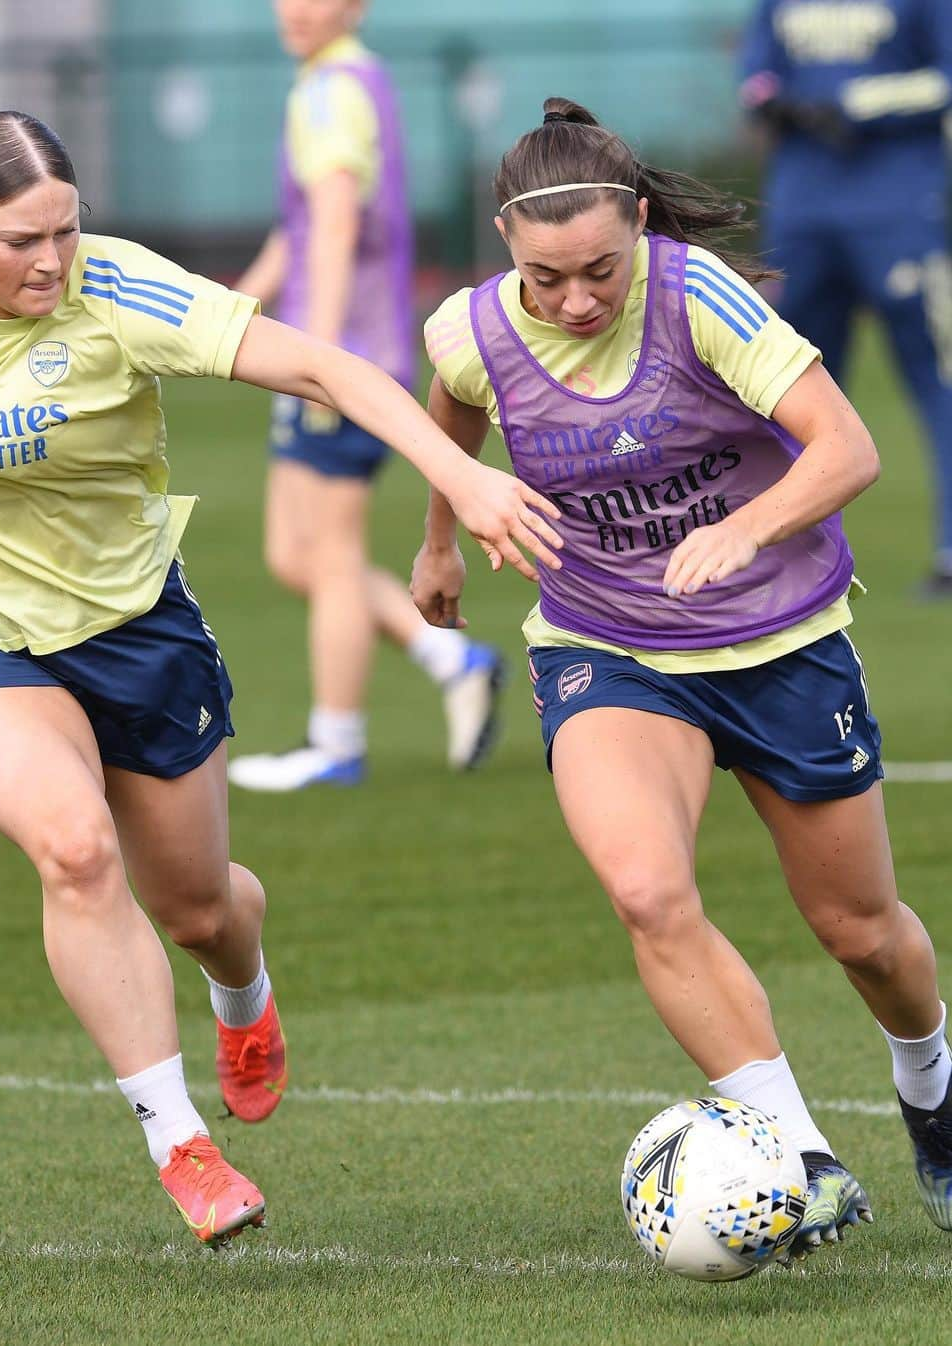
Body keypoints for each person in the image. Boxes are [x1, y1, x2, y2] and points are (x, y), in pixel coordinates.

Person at [0, 110, 561, 1247]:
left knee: (199, 905)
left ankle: (243, 989)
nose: (51, 260)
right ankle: (181, 1143)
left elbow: (324, 364)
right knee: (74, 845)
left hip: (136, 629)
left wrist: (459, 479)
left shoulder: (119, 291)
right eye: (18, 240)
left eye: (68, 228)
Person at [413, 98, 952, 1257]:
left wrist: (747, 528)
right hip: (606, 643)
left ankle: (932, 1082)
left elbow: (846, 445)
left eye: (598, 269)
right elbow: (453, 408)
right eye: (546, 276)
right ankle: (801, 1161)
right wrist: (443, 535)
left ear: (641, 224)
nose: (574, 300)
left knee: (861, 931)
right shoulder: (468, 328)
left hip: (781, 640)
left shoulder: (697, 296)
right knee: (649, 893)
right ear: (508, 242)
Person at [227, 0, 507, 793]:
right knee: (296, 555)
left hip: (342, 359)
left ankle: (336, 742)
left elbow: (337, 224)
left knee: (334, 556)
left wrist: (310, 359)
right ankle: (451, 655)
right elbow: (305, 223)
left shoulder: (330, 91)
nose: (293, 8)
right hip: (339, 352)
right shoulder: (347, 77)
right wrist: (229, 312)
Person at [738, 0, 952, 597]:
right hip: (802, 211)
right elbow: (755, 74)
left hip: (899, 209)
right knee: (779, 388)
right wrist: (768, 98)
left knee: (940, 378)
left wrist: (856, 104)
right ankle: (770, 546)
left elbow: (945, 76)